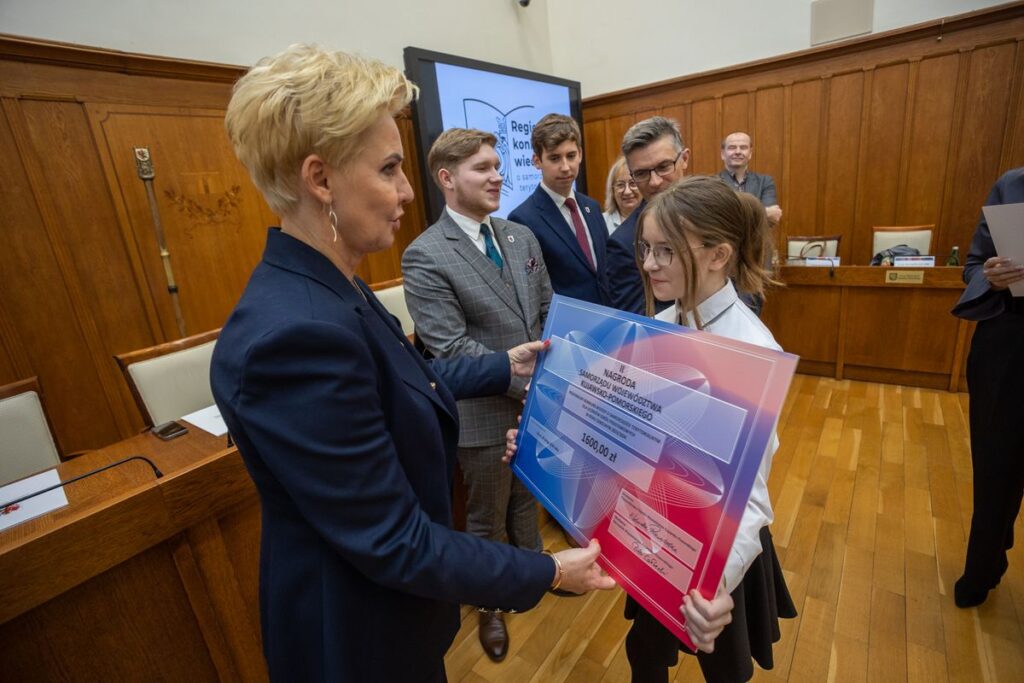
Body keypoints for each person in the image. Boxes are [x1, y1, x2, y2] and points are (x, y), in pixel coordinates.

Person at [211, 44, 615, 682]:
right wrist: (549, 571)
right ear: (320, 180)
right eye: (390, 169)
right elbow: (393, 540)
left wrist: (503, 367)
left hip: (397, 614)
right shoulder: (293, 336)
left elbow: (408, 380)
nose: (406, 190)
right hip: (357, 639)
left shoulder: (333, 284)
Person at [628, 175, 796, 683]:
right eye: (646, 249)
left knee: (724, 667)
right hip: (663, 523)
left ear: (718, 254)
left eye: (665, 251)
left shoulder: (752, 352)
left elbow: (753, 497)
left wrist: (713, 581)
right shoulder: (664, 318)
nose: (649, 264)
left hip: (715, 546)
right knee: (645, 650)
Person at [402, 127, 553, 662]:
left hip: (536, 404)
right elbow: (449, 349)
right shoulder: (424, 256)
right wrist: (524, 379)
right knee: (486, 514)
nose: (497, 176)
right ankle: (490, 600)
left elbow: (544, 312)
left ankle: (533, 573)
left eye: (497, 165)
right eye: (482, 168)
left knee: (528, 495)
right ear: (447, 179)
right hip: (482, 414)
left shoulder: (519, 237)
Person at [950, 166, 1024, 608]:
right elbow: (974, 265)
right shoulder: (1011, 185)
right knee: (996, 464)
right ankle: (984, 565)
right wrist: (990, 275)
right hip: (1010, 342)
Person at [508, 113, 611, 305]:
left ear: (580, 153)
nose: (565, 167)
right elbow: (533, 291)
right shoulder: (522, 219)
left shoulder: (592, 207)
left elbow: (606, 271)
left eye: (571, 156)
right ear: (537, 161)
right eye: (554, 158)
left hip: (609, 318)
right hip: (566, 328)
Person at [606, 116, 689, 314]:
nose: (654, 182)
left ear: (684, 159)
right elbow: (637, 323)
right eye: (641, 173)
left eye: (663, 167)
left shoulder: (713, 212)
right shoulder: (624, 243)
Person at [717, 132, 782, 226]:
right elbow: (714, 220)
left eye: (743, 147)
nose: (738, 152)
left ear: (750, 153)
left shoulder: (765, 182)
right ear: (723, 154)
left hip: (756, 241)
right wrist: (764, 213)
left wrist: (730, 214)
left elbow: (773, 218)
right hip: (725, 241)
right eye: (732, 147)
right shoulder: (711, 183)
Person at [603, 156, 641, 234]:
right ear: (612, 190)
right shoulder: (601, 222)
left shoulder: (656, 218)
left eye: (632, 183)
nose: (627, 191)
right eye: (620, 185)